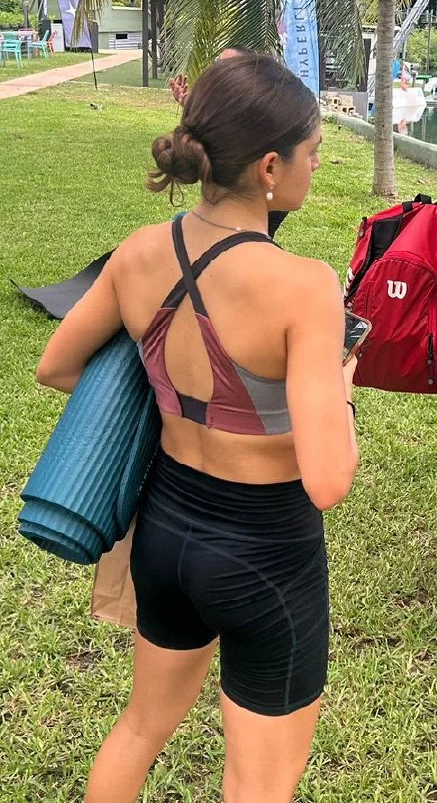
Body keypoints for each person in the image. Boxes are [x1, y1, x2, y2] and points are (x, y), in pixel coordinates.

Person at [36, 54, 359, 802]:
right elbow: (329, 479)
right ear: (271, 166)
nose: (318, 165)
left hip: (167, 533)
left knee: (142, 728)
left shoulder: (140, 251)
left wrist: (171, 396)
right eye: (313, 153)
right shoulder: (304, 287)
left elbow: (55, 367)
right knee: (259, 782)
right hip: (266, 555)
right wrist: (341, 386)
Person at [169, 47, 289, 240]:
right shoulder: (229, 110)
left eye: (228, 67)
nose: (218, 72)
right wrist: (190, 106)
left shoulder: (266, 114)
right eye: (218, 64)